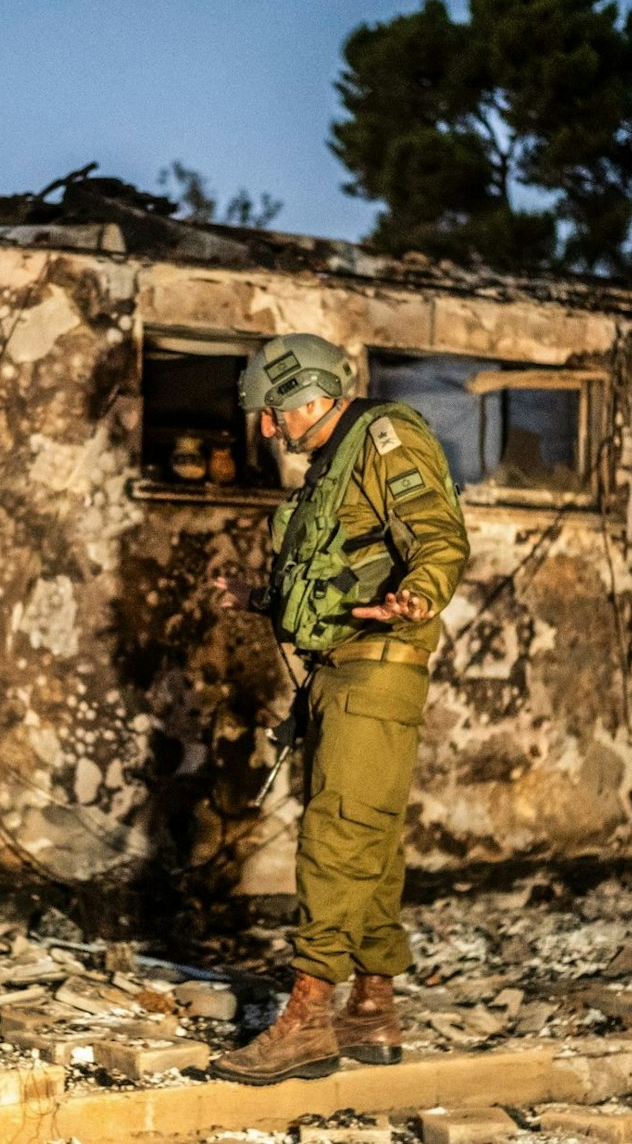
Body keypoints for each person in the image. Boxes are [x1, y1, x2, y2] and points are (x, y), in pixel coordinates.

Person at [208, 332, 469, 1085]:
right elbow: (329, 578)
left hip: (376, 667)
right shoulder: (336, 462)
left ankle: (306, 1018)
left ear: (309, 393)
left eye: (272, 411)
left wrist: (422, 591)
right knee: (371, 838)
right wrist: (256, 597)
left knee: (336, 836)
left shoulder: (385, 439)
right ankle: (371, 1006)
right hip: (342, 667)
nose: (267, 428)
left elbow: (439, 537)